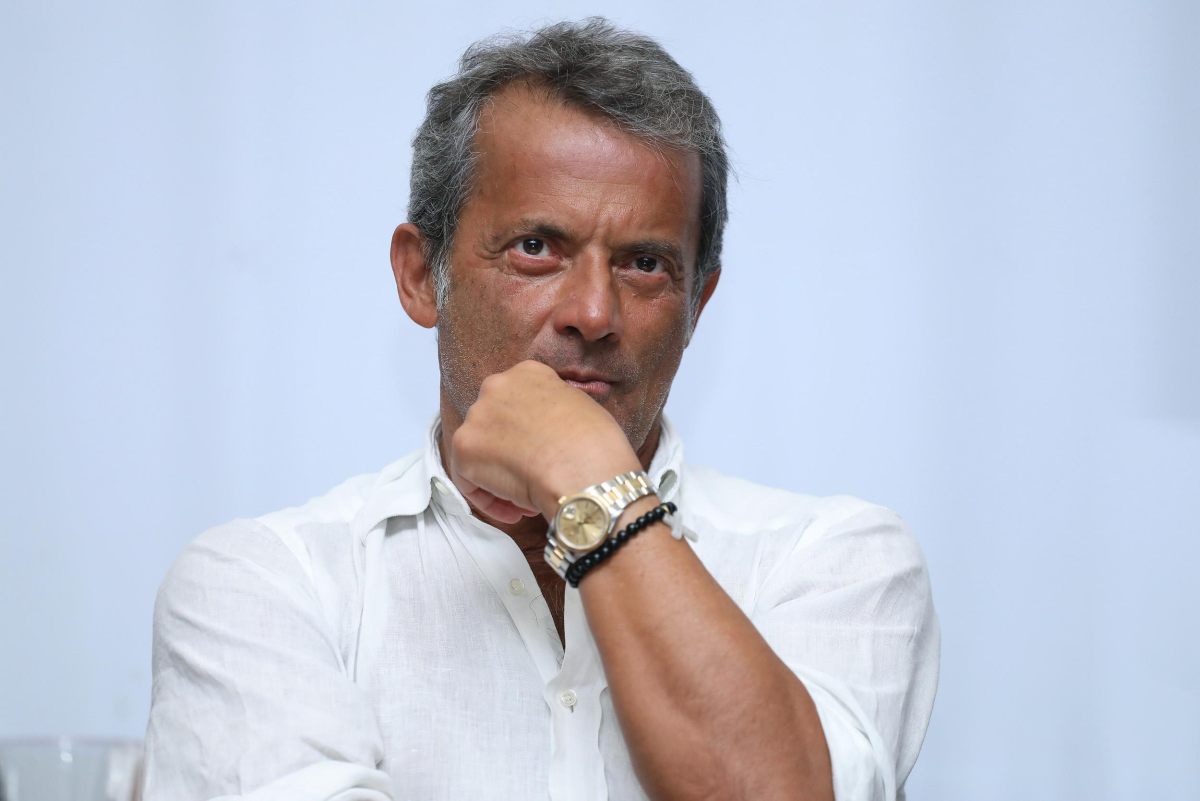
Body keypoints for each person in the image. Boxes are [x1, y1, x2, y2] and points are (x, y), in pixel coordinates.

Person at [143, 18, 939, 801]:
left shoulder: (830, 562)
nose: (592, 312)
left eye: (644, 263)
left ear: (697, 303)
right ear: (421, 276)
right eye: (536, 248)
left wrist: (589, 479)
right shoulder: (269, 583)